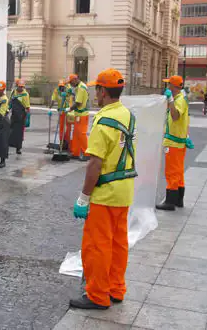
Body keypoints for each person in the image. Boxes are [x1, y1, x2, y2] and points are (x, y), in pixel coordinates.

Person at [70, 68, 137, 310]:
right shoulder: (128, 115)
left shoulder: (102, 121)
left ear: (102, 91)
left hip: (105, 194)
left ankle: (98, 295)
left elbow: (95, 163)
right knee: (119, 244)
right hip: (125, 191)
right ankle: (116, 289)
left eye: (95, 89)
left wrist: (83, 197)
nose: (94, 93)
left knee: (97, 245)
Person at [156, 76, 191, 211]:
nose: (167, 87)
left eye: (169, 84)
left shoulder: (179, 100)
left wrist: (170, 100)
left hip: (174, 143)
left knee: (171, 172)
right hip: (178, 141)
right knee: (178, 172)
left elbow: (176, 116)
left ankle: (170, 202)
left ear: (173, 86)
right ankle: (178, 200)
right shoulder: (179, 99)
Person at [67, 74, 90, 160]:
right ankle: (75, 153)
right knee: (76, 134)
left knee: (81, 134)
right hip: (78, 114)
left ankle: (87, 154)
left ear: (75, 80)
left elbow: (78, 103)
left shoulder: (81, 88)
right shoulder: (79, 87)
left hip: (82, 115)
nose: (71, 84)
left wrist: (69, 109)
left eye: (71, 82)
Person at [9, 79, 31, 154]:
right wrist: (8, 109)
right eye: (19, 87)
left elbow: (27, 107)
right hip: (14, 115)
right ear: (16, 86)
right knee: (11, 130)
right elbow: (10, 102)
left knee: (20, 133)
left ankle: (18, 148)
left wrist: (27, 117)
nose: (21, 88)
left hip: (22, 116)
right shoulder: (13, 92)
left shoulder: (25, 94)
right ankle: (10, 144)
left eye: (22, 87)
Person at [49, 80, 71, 150]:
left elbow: (70, 97)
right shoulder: (56, 91)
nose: (61, 88)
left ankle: (66, 142)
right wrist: (50, 107)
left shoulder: (67, 91)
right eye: (60, 86)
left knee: (67, 127)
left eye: (62, 86)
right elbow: (53, 99)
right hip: (61, 111)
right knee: (61, 127)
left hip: (67, 111)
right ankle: (62, 141)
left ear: (64, 86)